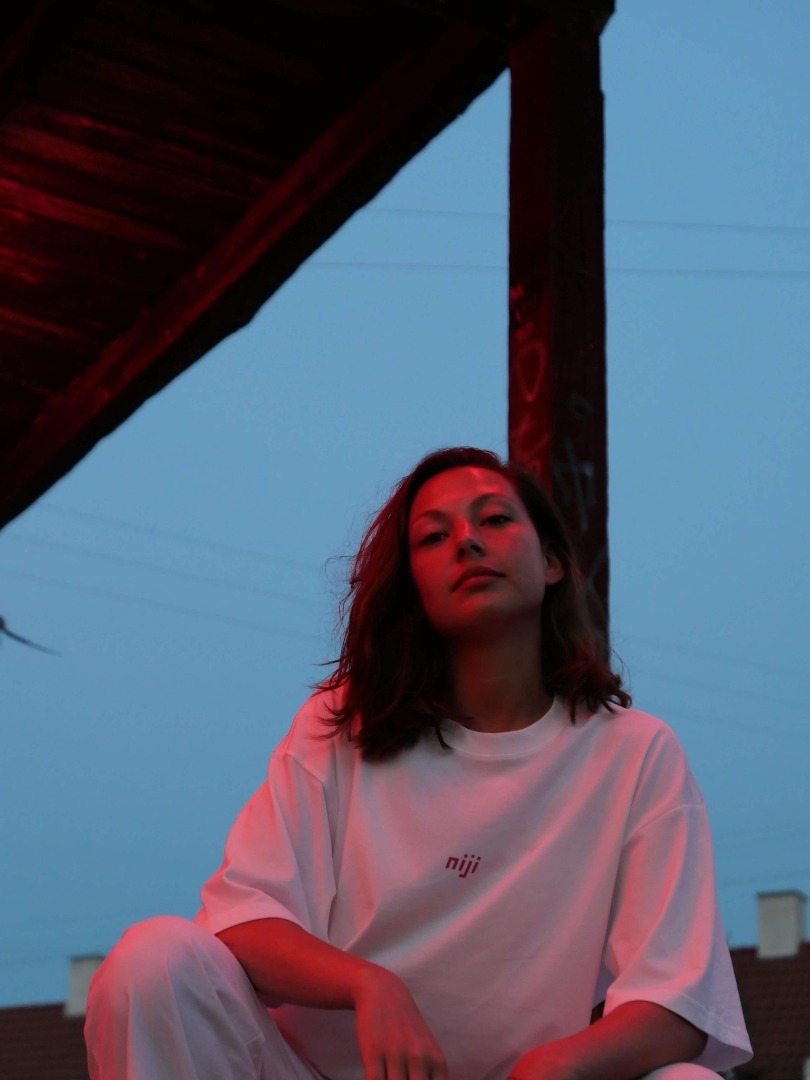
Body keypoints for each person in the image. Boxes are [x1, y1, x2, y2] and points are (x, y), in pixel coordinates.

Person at [85, 446, 752, 1080]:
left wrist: (562, 1064)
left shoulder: (634, 752)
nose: (467, 541)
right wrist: (369, 985)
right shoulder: (342, 724)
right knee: (155, 957)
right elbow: (243, 917)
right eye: (434, 536)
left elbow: (678, 999)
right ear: (415, 587)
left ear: (551, 561)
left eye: (494, 519)